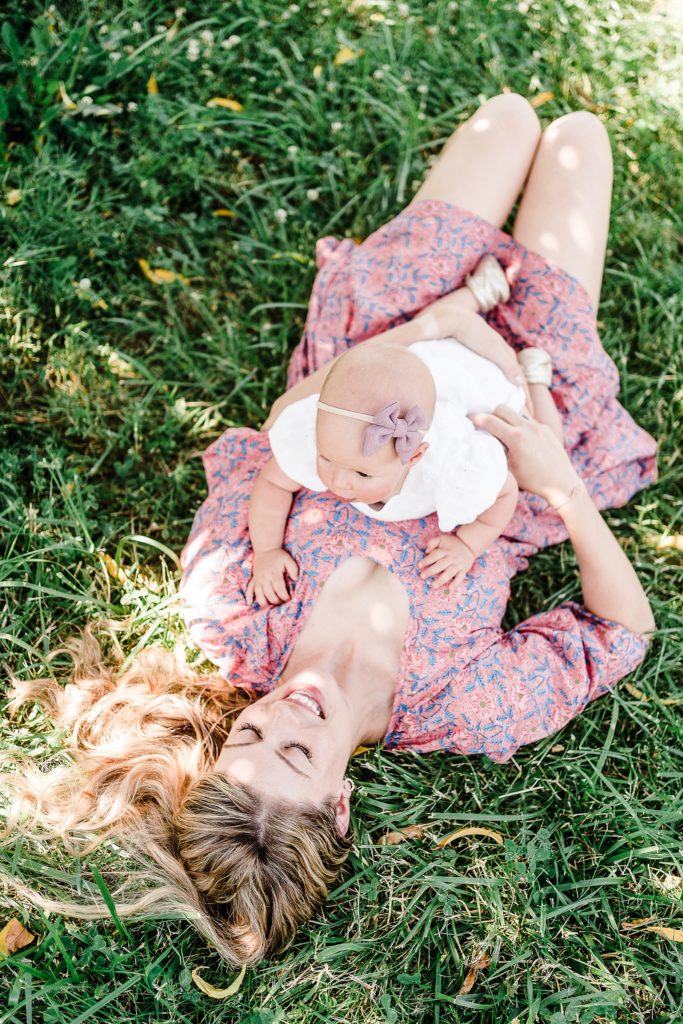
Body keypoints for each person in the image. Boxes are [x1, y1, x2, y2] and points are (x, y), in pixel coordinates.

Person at [4, 94, 657, 968]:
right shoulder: (457, 705)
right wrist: (563, 489)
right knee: (580, 137)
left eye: (249, 737)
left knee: (507, 118)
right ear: (341, 803)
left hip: (390, 345)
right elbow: (621, 631)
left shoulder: (235, 610)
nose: (283, 715)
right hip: (531, 410)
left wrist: (425, 336)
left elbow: (264, 445)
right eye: (300, 750)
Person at [248, 254, 567, 604]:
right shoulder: (323, 434)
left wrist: (467, 544)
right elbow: (273, 481)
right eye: (327, 459)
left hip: (480, 387)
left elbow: (506, 493)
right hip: (420, 364)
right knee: (407, 347)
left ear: (414, 455)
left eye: (361, 474)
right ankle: (470, 301)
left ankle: (534, 377)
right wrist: (266, 551)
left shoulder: (452, 461)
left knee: (542, 442)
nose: (338, 482)